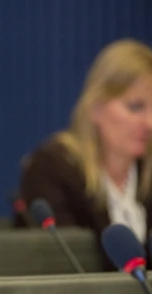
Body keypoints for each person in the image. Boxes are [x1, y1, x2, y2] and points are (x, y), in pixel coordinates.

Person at [15, 39, 152, 268]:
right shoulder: (52, 169)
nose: (149, 123)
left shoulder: (147, 173)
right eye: (136, 106)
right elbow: (68, 268)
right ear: (96, 107)